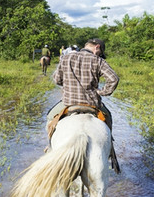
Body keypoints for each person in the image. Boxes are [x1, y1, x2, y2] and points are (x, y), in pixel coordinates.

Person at [51, 38, 121, 173]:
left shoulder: (66, 58)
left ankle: (50, 148)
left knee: (50, 118)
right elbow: (114, 79)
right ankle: (110, 152)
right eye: (100, 52)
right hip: (92, 105)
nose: (99, 55)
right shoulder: (98, 61)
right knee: (109, 118)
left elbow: (57, 79)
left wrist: (69, 85)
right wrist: (102, 92)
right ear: (97, 48)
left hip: (68, 104)